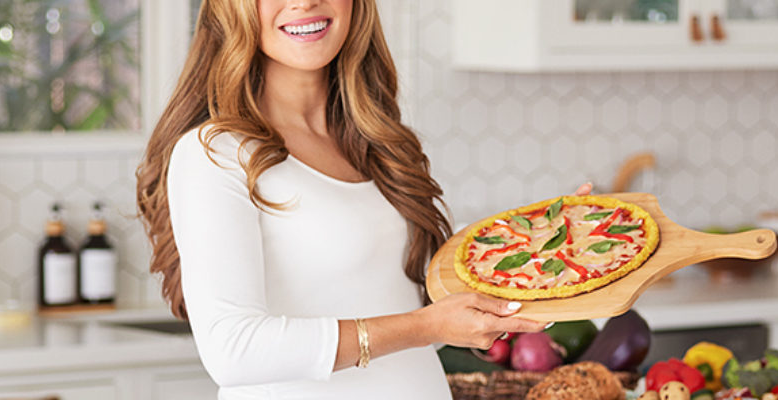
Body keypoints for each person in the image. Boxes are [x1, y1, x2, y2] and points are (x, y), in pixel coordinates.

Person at [135, 0, 587, 397]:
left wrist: (536, 247)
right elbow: (234, 351)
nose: (305, 2)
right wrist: (425, 325)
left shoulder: (378, 144)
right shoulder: (214, 153)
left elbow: (412, 316)